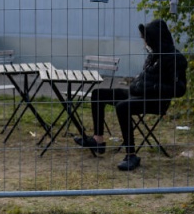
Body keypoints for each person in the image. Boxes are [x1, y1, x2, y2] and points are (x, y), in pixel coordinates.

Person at [74, 18, 188, 171]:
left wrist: (152, 87)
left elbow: (179, 89)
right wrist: (138, 83)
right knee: (98, 94)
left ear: (154, 39)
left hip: (155, 101)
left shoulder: (175, 58)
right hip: (137, 94)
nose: (144, 43)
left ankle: (131, 155)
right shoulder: (154, 55)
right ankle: (98, 140)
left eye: (146, 39)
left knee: (122, 107)